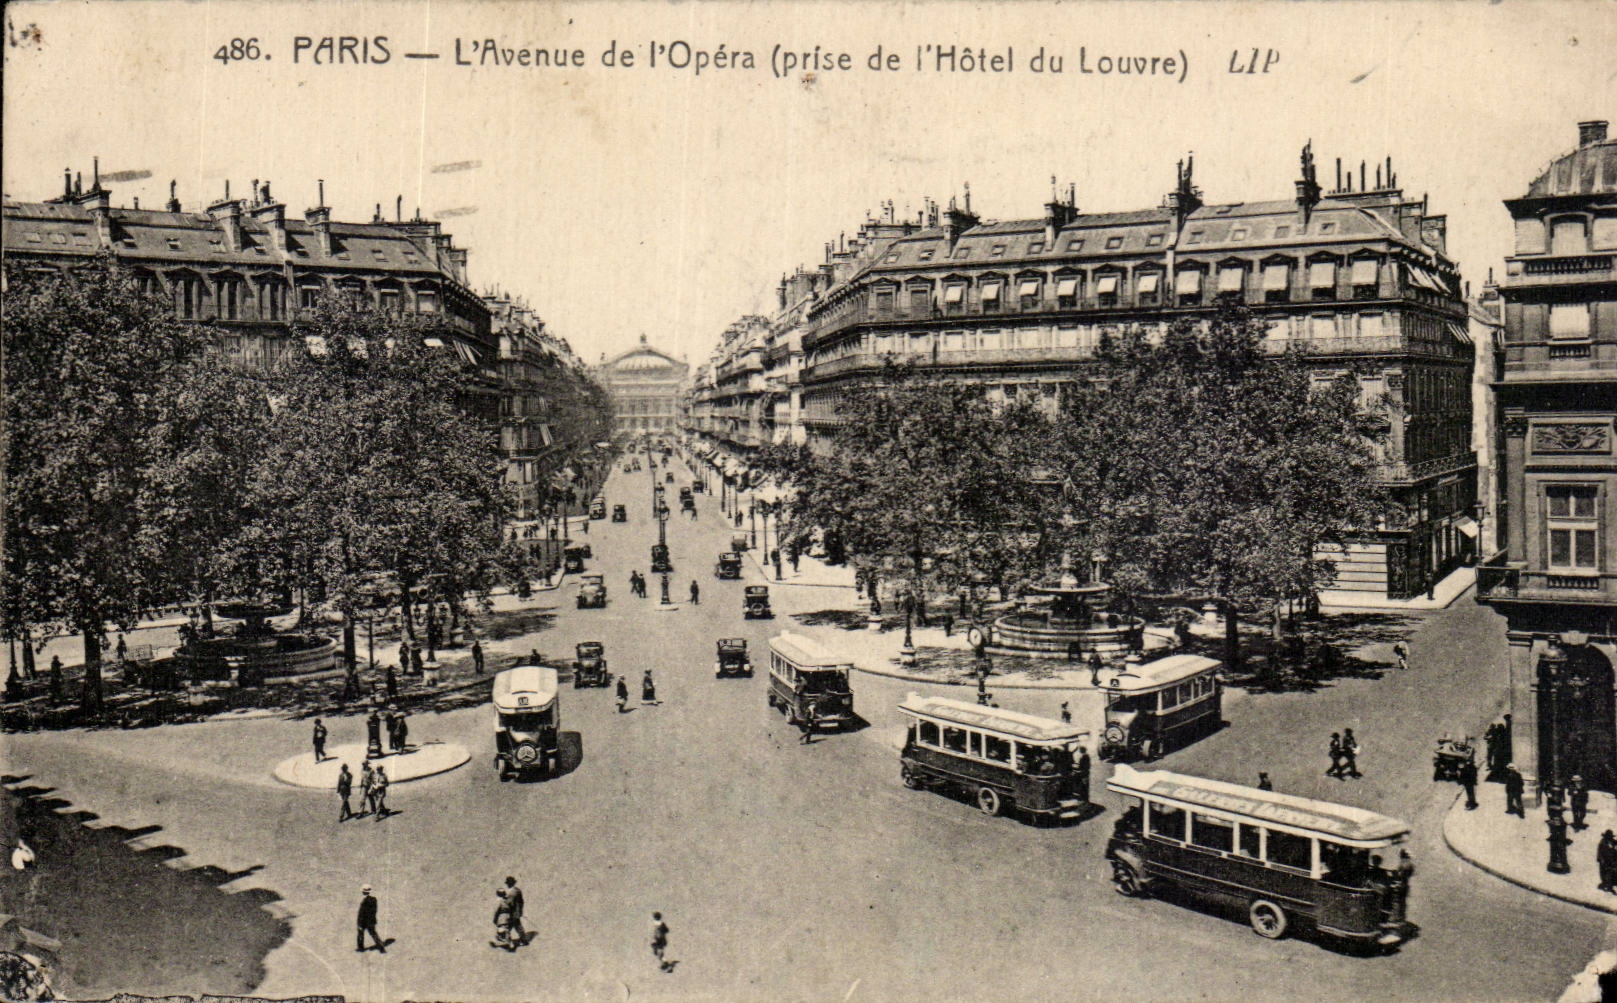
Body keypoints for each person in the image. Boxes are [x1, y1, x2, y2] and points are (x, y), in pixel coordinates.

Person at [356, 885, 386, 953]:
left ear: (363, 892)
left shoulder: (365, 900)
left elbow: (362, 913)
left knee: (361, 933)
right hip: (371, 920)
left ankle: (361, 948)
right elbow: (373, 911)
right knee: (373, 934)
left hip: (364, 921)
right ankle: (381, 948)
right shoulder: (373, 899)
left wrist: (360, 923)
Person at [502, 876, 526, 948]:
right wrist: (520, 911)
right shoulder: (517, 890)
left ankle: (509, 943)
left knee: (507, 928)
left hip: (512, 913)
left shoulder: (512, 892)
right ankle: (524, 940)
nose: (507, 885)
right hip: (517, 912)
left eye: (508, 883)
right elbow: (521, 902)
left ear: (509, 884)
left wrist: (504, 900)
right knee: (518, 926)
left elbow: (508, 903)